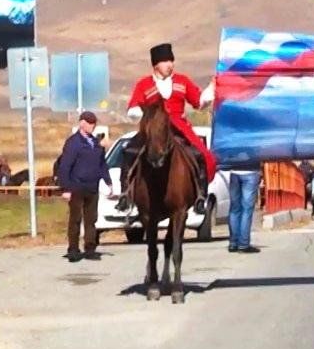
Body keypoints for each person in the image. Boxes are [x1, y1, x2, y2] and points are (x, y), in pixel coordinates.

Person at [116, 42, 216, 215]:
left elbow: (198, 102)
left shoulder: (182, 81)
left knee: (200, 154)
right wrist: (144, 116)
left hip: (178, 127)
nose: (170, 65)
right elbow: (133, 107)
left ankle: (201, 195)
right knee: (128, 152)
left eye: (171, 61)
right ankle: (124, 194)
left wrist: (212, 88)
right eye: (166, 62)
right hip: (152, 129)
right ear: (156, 65)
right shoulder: (144, 84)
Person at [57, 111, 114, 262]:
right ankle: (73, 250)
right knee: (75, 219)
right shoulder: (73, 143)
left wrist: (108, 182)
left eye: (93, 123)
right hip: (76, 186)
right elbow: (64, 166)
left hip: (92, 186)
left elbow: (102, 165)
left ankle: (90, 249)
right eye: (89, 122)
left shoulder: (96, 143)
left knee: (91, 219)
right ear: (82, 123)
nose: (92, 126)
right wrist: (66, 188)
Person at [227, 160, 263, 253]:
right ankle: (243, 244)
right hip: (251, 171)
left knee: (234, 209)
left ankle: (233, 243)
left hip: (234, 172)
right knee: (246, 210)